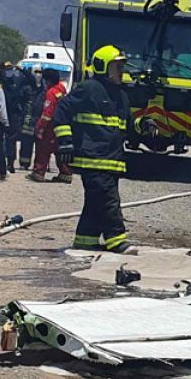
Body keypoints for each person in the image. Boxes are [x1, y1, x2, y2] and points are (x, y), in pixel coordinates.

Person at [53, 45, 134, 253]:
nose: (121, 71)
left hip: (112, 159)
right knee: (109, 201)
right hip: (93, 159)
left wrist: (145, 125)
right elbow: (61, 109)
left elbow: (128, 125)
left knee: (95, 201)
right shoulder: (88, 88)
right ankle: (116, 240)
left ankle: (85, 240)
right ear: (104, 67)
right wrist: (65, 141)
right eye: (117, 66)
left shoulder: (121, 96)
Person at [29, 68, 71, 183]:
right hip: (61, 124)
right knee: (59, 149)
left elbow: (47, 113)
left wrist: (39, 126)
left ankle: (39, 172)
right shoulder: (61, 89)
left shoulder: (51, 93)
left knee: (43, 148)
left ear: (48, 80)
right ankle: (65, 173)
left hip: (49, 126)